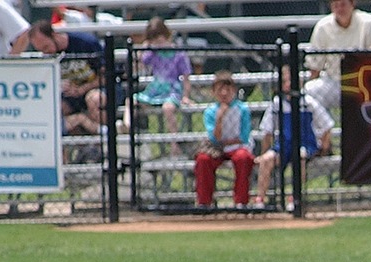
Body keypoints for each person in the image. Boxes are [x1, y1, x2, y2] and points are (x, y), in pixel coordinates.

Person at [253, 66, 335, 209]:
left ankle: (294, 198)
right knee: (266, 160)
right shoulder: (277, 104)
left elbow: (327, 125)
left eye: (292, 81)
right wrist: (264, 152)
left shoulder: (308, 102)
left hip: (305, 143)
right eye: (285, 81)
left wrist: (324, 147)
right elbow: (267, 132)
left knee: (300, 157)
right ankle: (260, 199)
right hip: (283, 145)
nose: (289, 84)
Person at [28, 18, 106, 135]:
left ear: (54, 35)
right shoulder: (49, 57)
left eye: (46, 47)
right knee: (54, 109)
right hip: (72, 95)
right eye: (41, 50)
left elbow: (106, 76)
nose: (45, 53)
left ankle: (107, 139)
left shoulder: (85, 43)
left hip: (96, 88)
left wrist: (82, 89)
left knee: (93, 99)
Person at [304, 0, 371, 111]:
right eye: (336, 5)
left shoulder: (368, 23)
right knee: (309, 91)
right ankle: (326, 127)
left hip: (361, 83)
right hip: (333, 82)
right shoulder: (322, 26)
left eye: (343, 4)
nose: (340, 9)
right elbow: (315, 67)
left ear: (352, 4)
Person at [133, 17, 193, 157]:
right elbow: (141, 62)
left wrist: (185, 96)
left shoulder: (178, 53)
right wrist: (145, 46)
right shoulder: (152, 53)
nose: (157, 43)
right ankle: (127, 127)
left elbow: (186, 78)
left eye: (159, 39)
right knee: (132, 101)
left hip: (172, 88)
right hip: (156, 88)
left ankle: (174, 144)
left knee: (168, 108)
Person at [194, 69, 253, 209]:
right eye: (220, 89)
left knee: (243, 158)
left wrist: (227, 142)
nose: (224, 93)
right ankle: (204, 202)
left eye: (228, 89)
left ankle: (241, 201)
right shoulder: (210, 112)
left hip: (237, 148)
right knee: (203, 160)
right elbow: (215, 139)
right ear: (214, 91)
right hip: (217, 149)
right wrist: (219, 118)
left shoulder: (242, 109)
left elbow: (243, 137)